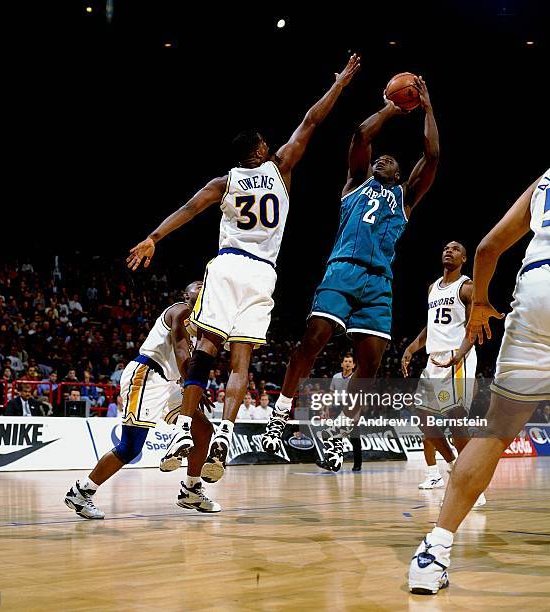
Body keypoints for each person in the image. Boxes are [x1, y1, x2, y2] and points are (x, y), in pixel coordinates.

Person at [128, 55, 361, 483]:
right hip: (261, 272)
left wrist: (154, 238)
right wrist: (340, 85)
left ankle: (183, 428)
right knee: (241, 361)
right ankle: (227, 433)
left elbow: (187, 209)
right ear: (259, 150)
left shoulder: (225, 182)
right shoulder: (281, 168)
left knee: (205, 350)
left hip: (226, 266)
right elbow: (311, 120)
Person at [263, 77, 440, 472]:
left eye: (389, 161)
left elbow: (431, 157)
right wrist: (393, 109)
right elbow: (361, 135)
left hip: (379, 283)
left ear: (399, 173)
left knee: (371, 365)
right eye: (378, 159)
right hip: (343, 270)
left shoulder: (405, 197)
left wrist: (426, 108)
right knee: (313, 339)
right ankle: (279, 415)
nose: (382, 160)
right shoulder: (356, 184)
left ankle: (341, 433)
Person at [408, 170, 550, 594]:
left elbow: (488, 247)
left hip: (535, 294)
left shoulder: (545, 179)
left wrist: (482, 304)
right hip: (439, 357)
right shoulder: (435, 286)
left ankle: (433, 551)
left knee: (492, 432)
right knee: (436, 419)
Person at [64, 281, 221, 519]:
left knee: (203, 430)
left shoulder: (200, 326)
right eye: (196, 285)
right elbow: (180, 351)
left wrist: (195, 386)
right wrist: (193, 383)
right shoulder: (181, 310)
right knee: (130, 447)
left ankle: (191, 489)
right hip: (147, 375)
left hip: (170, 383)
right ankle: (81, 492)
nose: (201, 286)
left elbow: (187, 363)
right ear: (185, 294)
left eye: (204, 284)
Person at [401, 241, 485, 509]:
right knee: (423, 418)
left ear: (464, 257)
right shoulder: (432, 288)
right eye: (445, 248)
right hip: (434, 358)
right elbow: (431, 326)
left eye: (456, 248)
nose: (448, 251)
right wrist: (412, 349)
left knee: (456, 419)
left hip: (456, 356)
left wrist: (460, 353)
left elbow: (475, 325)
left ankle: (473, 485)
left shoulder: (468, 287)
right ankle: (452, 465)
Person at [328, 354, 362, 471]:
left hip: (352, 408)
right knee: (336, 435)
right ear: (342, 364)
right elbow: (331, 392)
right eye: (345, 361)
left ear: (353, 365)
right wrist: (328, 407)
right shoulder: (336, 376)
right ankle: (334, 461)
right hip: (338, 408)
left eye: (350, 361)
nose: (347, 363)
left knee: (355, 438)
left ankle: (358, 464)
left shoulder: (357, 377)